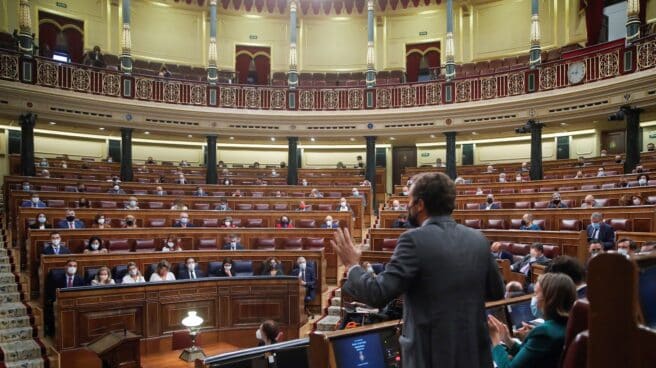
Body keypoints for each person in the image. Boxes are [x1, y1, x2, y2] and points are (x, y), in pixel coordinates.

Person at [331, 172, 504, 368]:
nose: (407, 206)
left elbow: (377, 294)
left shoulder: (412, 240)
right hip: (475, 356)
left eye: (409, 200)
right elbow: (496, 291)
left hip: (429, 357)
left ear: (420, 204)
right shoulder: (478, 239)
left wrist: (352, 265)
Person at [488, 273, 576, 368]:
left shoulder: (544, 332)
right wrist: (507, 340)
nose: (534, 298)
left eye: (536, 293)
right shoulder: (571, 323)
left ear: (549, 299)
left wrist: (495, 339)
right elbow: (528, 356)